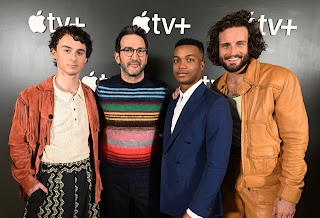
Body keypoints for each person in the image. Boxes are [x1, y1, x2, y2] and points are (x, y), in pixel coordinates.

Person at [207, 9, 309, 218]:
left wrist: (289, 194)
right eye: (225, 45)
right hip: (227, 186)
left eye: (239, 44)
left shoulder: (280, 79)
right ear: (217, 50)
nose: (232, 51)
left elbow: (295, 140)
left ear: (251, 45)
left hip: (267, 190)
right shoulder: (216, 88)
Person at [8, 26, 101, 217]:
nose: (73, 58)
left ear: (86, 58)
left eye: (79, 52)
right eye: (67, 50)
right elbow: (18, 144)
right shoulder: (30, 97)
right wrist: (29, 183)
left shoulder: (90, 95)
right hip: (49, 180)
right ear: (54, 52)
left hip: (85, 179)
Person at [96, 25, 169, 218]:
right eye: (127, 50)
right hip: (111, 179)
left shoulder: (161, 90)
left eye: (140, 51)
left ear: (146, 56)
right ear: (117, 56)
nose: (134, 56)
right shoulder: (102, 90)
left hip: (149, 178)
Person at [160, 38, 232, 218]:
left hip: (195, 207)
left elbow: (217, 165)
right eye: (176, 60)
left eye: (189, 59)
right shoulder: (173, 100)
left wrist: (195, 212)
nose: (181, 66)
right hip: (170, 203)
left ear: (202, 65)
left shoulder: (216, 104)